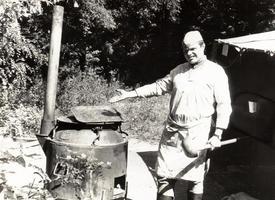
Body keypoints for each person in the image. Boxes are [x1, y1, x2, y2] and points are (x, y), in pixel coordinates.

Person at [109, 30, 232, 200]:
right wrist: (131, 94)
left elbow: (224, 105)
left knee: (195, 179)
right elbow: (158, 87)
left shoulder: (216, 72)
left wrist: (217, 133)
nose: (189, 53)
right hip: (172, 133)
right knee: (164, 177)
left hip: (197, 134)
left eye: (193, 49)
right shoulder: (178, 71)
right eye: (185, 50)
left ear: (203, 46)